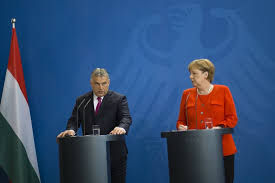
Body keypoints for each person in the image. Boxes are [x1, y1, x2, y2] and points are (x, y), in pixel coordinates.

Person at [57, 68, 132, 183]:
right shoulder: (82, 101)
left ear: (109, 82)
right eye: (97, 84)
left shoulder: (119, 99)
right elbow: (74, 121)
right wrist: (71, 130)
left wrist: (121, 127)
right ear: (91, 83)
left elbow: (126, 118)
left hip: (114, 154)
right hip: (89, 153)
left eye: (104, 83)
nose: (101, 88)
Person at [176, 59, 238, 183]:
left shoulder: (223, 90)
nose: (190, 77)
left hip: (222, 150)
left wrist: (219, 128)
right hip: (195, 150)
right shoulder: (186, 94)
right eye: (190, 73)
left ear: (206, 74)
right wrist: (181, 127)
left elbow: (232, 118)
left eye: (194, 74)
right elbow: (180, 121)